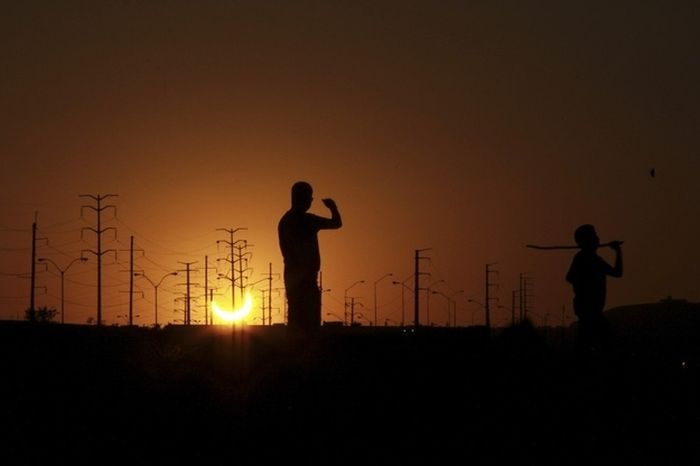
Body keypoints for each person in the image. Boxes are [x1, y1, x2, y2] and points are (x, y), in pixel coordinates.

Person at [278, 181, 342, 332]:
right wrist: (333, 208)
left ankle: (296, 347)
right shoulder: (307, 220)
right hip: (305, 278)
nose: (310, 201)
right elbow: (336, 223)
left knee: (296, 317)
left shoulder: (285, 221)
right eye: (309, 198)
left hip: (292, 276)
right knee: (308, 320)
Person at [565, 224, 623, 357]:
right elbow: (570, 277)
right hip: (588, 309)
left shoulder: (596, 260)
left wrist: (617, 251)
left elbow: (617, 273)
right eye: (593, 237)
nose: (597, 240)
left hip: (593, 309)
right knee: (602, 341)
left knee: (587, 343)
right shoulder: (582, 258)